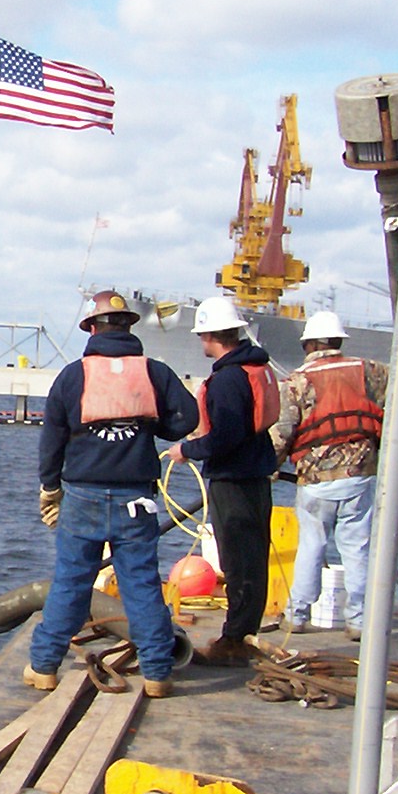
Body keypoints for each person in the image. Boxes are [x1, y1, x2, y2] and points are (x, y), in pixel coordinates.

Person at [28, 289, 199, 697]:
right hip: (135, 500)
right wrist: (155, 427)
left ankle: (45, 668)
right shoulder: (154, 372)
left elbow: (52, 439)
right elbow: (187, 417)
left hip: (82, 496)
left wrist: (50, 488)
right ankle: (157, 673)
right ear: (128, 328)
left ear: (91, 329)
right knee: (140, 584)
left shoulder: (73, 375)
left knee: (71, 583)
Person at [162, 296, 279, 665]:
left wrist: (188, 450)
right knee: (253, 561)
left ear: (212, 335)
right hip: (256, 478)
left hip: (235, 481)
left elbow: (226, 436)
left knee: (239, 562)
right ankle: (245, 633)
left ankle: (234, 641)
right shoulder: (253, 368)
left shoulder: (228, 380)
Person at [270, 310, 387, 639]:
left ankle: (297, 615)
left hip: (316, 479)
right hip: (360, 473)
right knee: (357, 547)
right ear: (338, 342)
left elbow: (282, 433)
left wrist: (272, 466)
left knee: (312, 544)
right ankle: (359, 620)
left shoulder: (296, 381)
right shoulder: (368, 371)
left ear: (308, 344)